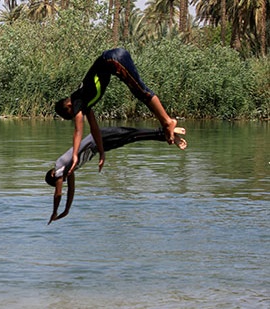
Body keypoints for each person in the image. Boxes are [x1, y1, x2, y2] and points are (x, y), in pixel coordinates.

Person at [55, 48, 181, 176]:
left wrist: (75, 155)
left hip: (112, 59)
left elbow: (78, 131)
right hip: (114, 58)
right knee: (139, 92)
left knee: (142, 92)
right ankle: (166, 126)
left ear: (69, 106)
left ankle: (167, 122)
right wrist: (102, 151)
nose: (77, 115)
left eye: (72, 114)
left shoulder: (77, 100)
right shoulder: (85, 103)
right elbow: (94, 129)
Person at [46, 126, 187, 225]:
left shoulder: (59, 167)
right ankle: (166, 134)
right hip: (101, 144)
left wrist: (55, 212)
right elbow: (71, 190)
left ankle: (166, 131)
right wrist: (66, 210)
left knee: (132, 134)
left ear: (53, 174)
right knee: (133, 137)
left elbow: (58, 194)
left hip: (100, 137)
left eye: (59, 181)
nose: (62, 181)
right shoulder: (69, 169)